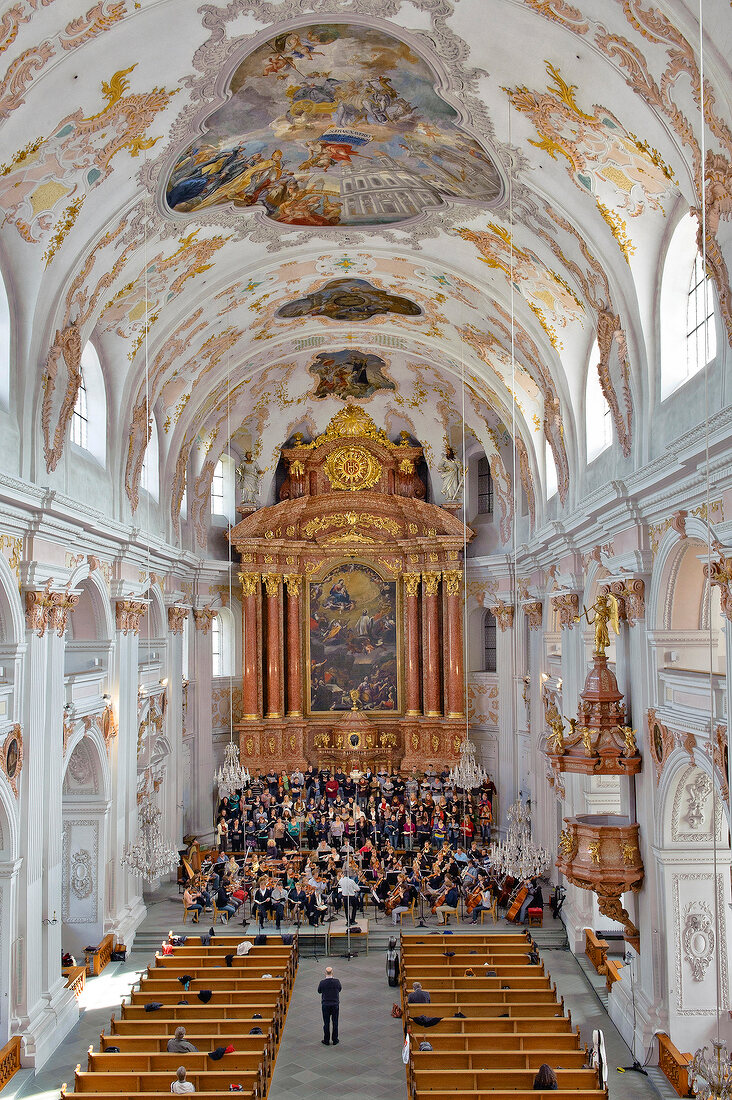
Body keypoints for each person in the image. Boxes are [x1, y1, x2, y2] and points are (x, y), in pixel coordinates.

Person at [317, 965, 342, 1046]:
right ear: (332, 972)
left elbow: (319, 991)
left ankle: (326, 1040)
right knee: (335, 1022)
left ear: (325, 973)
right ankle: (335, 1040)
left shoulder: (322, 982)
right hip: (335, 1004)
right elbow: (339, 989)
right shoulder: (337, 981)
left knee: (326, 1023)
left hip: (325, 1005)